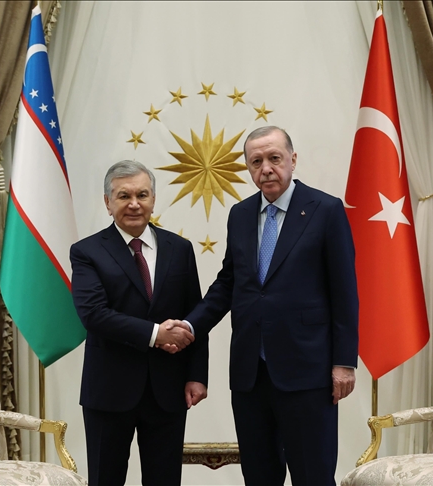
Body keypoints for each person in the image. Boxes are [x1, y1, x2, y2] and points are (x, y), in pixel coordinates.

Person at [181, 126, 359, 485]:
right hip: (251, 374)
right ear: (249, 167)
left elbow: (344, 291)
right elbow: (229, 283)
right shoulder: (240, 214)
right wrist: (190, 326)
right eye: (256, 161)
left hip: (307, 372)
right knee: (259, 476)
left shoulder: (325, 210)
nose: (266, 168)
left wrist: (344, 362)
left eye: (274, 158)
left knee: (312, 476)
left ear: (292, 159)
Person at [70, 160, 208, 486]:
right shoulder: (87, 251)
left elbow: (195, 315)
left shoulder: (180, 249)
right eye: (124, 196)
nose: (134, 204)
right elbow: (93, 314)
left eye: (142, 195)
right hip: (109, 390)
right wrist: (156, 334)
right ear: (108, 202)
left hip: (168, 389)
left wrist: (197, 375)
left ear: (153, 200)